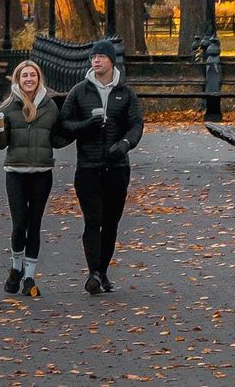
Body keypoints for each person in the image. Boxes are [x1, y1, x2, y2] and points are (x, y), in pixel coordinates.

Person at [59, 40, 143, 294]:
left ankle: (103, 270)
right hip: (88, 166)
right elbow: (64, 123)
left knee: (111, 222)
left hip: (117, 167)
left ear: (111, 61)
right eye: (93, 57)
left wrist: (125, 144)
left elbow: (136, 124)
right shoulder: (80, 91)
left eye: (101, 57)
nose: (96, 61)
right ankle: (93, 273)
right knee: (92, 219)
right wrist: (86, 126)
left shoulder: (125, 93)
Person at [0, 60, 63, 298]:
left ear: (39, 78)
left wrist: (80, 130)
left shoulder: (50, 106)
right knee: (20, 223)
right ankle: (16, 267)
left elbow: (58, 137)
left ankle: (29, 277)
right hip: (16, 172)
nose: (29, 79)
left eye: (33, 75)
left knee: (35, 224)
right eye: (24, 76)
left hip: (42, 173)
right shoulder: (8, 106)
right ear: (18, 80)